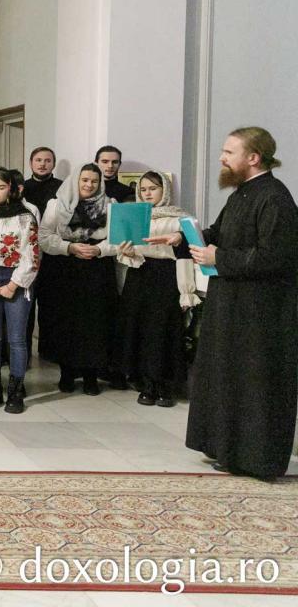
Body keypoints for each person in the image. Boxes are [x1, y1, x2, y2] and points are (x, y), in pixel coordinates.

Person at [157, 128, 298, 480]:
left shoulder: (275, 198)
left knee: (254, 383)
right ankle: (227, 449)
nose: (222, 157)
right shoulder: (242, 194)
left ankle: (256, 459)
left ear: (253, 157)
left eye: (229, 151)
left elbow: (276, 257)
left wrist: (220, 256)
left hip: (261, 312)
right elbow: (218, 234)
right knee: (226, 377)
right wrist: (181, 239)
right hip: (231, 304)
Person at [116, 171, 199, 408]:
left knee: (162, 330)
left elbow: (187, 255)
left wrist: (187, 291)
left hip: (166, 277)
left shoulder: (180, 219)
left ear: (165, 190)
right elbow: (126, 251)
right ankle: (146, 384)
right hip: (139, 274)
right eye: (143, 189)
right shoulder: (135, 216)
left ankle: (164, 385)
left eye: (153, 188)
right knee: (139, 328)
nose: (147, 193)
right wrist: (129, 253)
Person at [40, 164, 123, 395]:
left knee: (96, 323)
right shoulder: (57, 204)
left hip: (98, 270)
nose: (89, 185)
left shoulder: (111, 205)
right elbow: (44, 237)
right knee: (67, 322)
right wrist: (70, 247)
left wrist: (99, 250)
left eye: (94, 181)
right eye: (84, 180)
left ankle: (91, 376)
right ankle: (67, 373)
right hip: (65, 270)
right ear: (76, 181)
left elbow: (118, 239)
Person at [0, 168, 40, 414]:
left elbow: (32, 254)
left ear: (11, 189)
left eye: (1, 187)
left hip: (17, 279)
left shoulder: (25, 217)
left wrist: (14, 284)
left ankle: (15, 390)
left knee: (16, 338)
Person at [22, 146, 61, 361]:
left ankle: (49, 351)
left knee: (51, 306)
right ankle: (24, 352)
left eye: (47, 160)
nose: (43, 164)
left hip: (53, 255)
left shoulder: (62, 188)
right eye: (38, 160)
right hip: (26, 253)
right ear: (31, 163)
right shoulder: (23, 188)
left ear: (53, 164)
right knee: (26, 305)